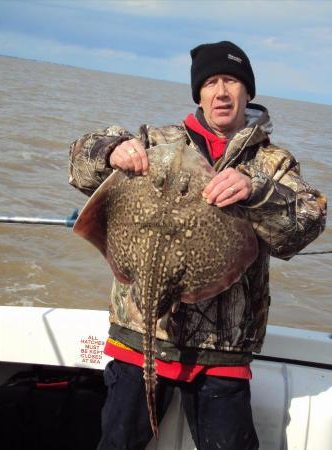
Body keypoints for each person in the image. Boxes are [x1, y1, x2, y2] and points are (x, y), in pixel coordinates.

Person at [68, 41, 326, 450]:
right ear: (199, 93)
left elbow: (307, 223)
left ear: (247, 91)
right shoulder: (157, 143)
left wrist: (256, 192)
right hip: (139, 338)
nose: (221, 92)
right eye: (210, 82)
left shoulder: (272, 163)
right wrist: (109, 149)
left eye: (232, 81)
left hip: (221, 353)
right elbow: (79, 163)